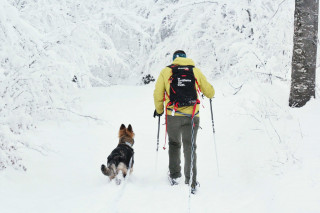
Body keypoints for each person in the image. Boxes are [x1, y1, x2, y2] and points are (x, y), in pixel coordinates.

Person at [153, 50, 215, 193]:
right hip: (192, 116)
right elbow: (210, 92)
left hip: (173, 115)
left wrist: (160, 110)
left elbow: (157, 93)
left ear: (174, 59)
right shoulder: (195, 71)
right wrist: (210, 92)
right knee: (190, 146)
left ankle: (175, 176)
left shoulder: (166, 71)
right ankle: (191, 181)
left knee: (174, 144)